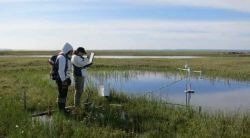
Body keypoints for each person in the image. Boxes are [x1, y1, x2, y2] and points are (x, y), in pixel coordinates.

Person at [56, 42, 73, 112]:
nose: (72, 52)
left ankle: (62, 108)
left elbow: (67, 69)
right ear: (68, 50)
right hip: (62, 80)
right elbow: (61, 71)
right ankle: (62, 109)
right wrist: (64, 81)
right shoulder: (62, 57)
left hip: (63, 79)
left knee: (62, 94)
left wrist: (68, 78)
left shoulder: (64, 56)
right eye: (71, 50)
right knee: (63, 94)